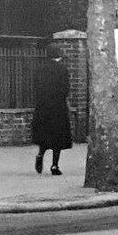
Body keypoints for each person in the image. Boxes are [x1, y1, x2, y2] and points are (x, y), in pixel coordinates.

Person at [32, 46, 73, 175]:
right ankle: (54, 166)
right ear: (59, 56)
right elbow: (65, 89)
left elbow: (36, 87)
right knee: (58, 137)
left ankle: (40, 154)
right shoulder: (62, 69)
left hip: (43, 106)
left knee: (45, 134)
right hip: (58, 107)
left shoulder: (40, 69)